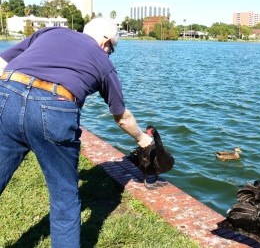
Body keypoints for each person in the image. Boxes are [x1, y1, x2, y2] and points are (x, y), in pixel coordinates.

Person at [0, 17, 152, 247]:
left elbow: (2, 60)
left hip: (7, 92)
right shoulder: (103, 61)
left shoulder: (50, 32)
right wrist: (142, 139)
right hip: (54, 106)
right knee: (65, 199)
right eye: (112, 49)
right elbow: (122, 116)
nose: (110, 53)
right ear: (106, 42)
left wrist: (12, 92)